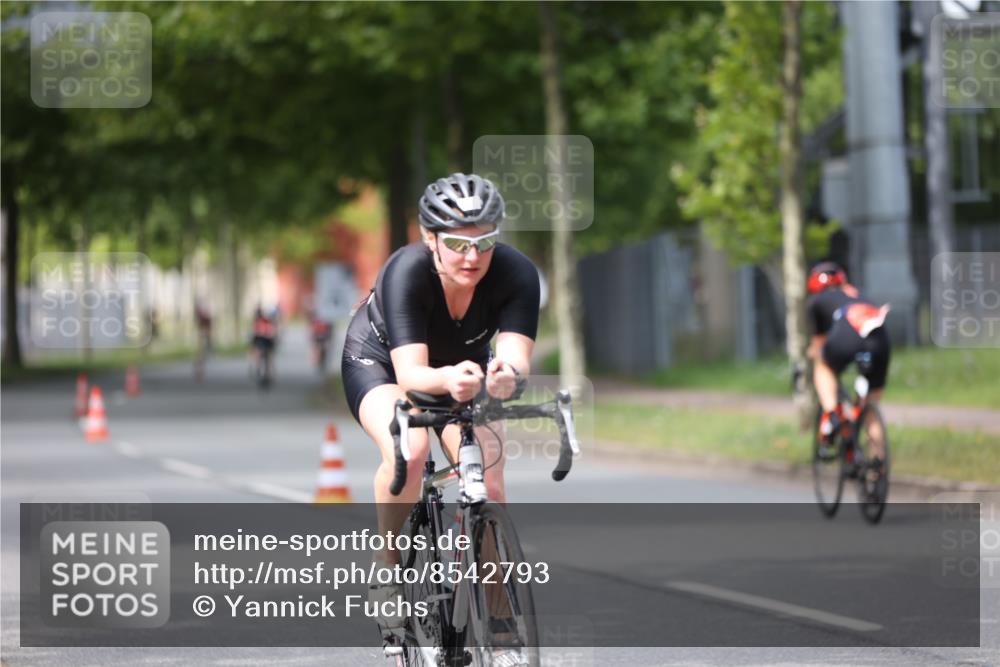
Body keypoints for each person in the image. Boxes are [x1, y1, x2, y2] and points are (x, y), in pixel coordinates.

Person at [340, 173, 539, 639]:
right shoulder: (406, 271)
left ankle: (498, 618)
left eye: (485, 242)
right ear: (430, 238)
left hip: (462, 372)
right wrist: (451, 378)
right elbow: (411, 378)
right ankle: (388, 566)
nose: (473, 257)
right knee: (408, 453)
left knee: (488, 477)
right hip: (384, 363)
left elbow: (514, 358)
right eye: (458, 244)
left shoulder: (516, 274)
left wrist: (505, 377)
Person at [805, 262, 891, 459]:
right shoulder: (857, 294)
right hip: (880, 338)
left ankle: (830, 414)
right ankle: (877, 468)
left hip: (848, 331)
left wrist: (811, 353)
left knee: (822, 364)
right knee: (870, 407)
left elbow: (819, 344)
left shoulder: (816, 301)